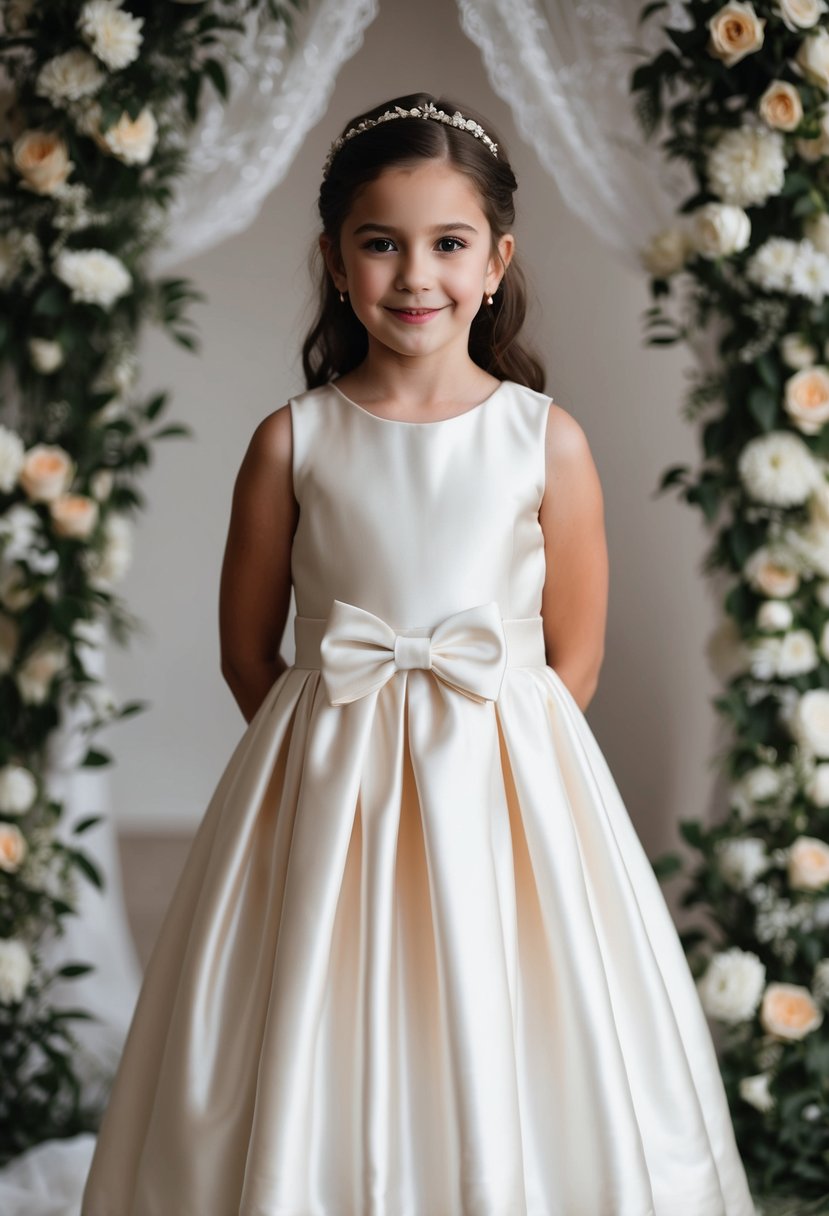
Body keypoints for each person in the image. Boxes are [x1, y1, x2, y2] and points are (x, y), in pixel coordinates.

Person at [80, 91, 758, 1215]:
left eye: (447, 245)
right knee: (310, 1014)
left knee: (507, 1019)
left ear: (495, 260)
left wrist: (491, 765)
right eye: (380, 244)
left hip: (503, 789)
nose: (414, 276)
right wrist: (328, 764)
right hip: (323, 782)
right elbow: (248, 651)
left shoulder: (546, 439)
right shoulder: (292, 438)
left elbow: (572, 659)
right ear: (335, 261)